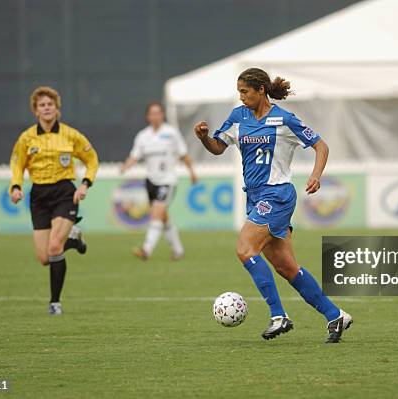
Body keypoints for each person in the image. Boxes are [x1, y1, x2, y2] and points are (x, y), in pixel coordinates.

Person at [193, 67, 352, 343]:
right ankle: (335, 314)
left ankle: (279, 315)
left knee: (245, 249)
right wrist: (204, 138)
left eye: (245, 92)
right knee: (287, 268)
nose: (241, 97)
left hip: (277, 195)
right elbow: (218, 148)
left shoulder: (283, 119)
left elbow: (321, 146)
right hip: (255, 197)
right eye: (239, 92)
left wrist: (316, 176)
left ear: (261, 90)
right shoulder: (238, 117)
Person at [9, 86, 99, 315]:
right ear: (35, 111)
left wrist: (85, 184)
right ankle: (75, 239)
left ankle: (54, 303)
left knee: (54, 246)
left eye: (50, 104)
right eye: (42, 105)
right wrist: (16, 187)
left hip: (64, 193)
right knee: (44, 257)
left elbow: (92, 159)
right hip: (39, 195)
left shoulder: (70, 135)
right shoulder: (27, 138)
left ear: (57, 109)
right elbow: (17, 165)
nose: (47, 108)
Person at [121, 101, 197, 261]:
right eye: (152, 113)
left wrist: (192, 172)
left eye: (158, 113)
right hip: (151, 182)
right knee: (163, 217)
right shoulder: (143, 136)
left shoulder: (171, 133)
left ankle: (146, 250)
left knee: (156, 213)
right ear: (148, 116)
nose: (155, 116)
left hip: (167, 181)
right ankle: (178, 250)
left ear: (162, 115)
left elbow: (183, 154)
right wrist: (125, 167)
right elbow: (135, 155)